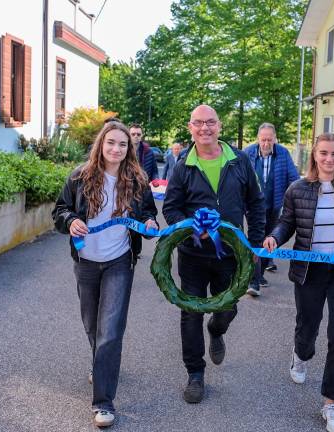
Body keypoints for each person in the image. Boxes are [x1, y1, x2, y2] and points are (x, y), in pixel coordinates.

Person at [52, 121, 158, 428]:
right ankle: (101, 363)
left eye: (123, 145)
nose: (116, 149)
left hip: (119, 261)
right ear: (101, 144)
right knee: (91, 325)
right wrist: (70, 220)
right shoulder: (79, 176)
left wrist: (150, 224)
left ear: (129, 149)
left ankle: (103, 402)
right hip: (86, 261)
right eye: (111, 142)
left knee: (110, 330)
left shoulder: (137, 180)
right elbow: (59, 210)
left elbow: (148, 213)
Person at [263, 133, 334, 432]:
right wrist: (274, 236)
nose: (329, 159)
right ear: (314, 155)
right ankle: (301, 355)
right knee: (307, 328)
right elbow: (287, 222)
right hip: (309, 272)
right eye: (323, 153)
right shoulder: (297, 189)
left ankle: (331, 404)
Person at [163, 105, 265, 404]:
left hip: (231, 255)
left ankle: (217, 329)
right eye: (199, 123)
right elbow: (171, 207)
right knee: (190, 312)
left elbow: (256, 205)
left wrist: (255, 244)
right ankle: (195, 373)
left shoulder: (240, 160)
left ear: (219, 126)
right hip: (192, 255)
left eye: (210, 122)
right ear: (190, 127)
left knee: (227, 308)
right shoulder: (183, 164)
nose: (205, 128)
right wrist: (191, 228)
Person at [243, 123, 300, 296]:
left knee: (269, 238)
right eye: (263, 140)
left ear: (275, 139)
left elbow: (293, 178)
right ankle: (254, 281)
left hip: (275, 205)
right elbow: (240, 177)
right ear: (258, 138)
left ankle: (262, 270)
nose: (266, 143)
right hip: (253, 207)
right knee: (256, 238)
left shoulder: (282, 153)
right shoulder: (248, 153)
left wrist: (295, 200)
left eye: (269, 140)